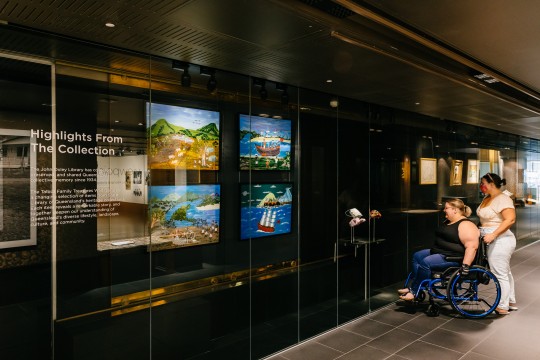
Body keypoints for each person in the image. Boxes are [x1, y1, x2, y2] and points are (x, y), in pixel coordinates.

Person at [399, 198, 479, 301]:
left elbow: (472, 247)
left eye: (446, 208)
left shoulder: (466, 225)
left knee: (426, 262)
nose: (444, 210)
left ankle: (414, 291)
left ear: (455, 210)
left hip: (453, 258)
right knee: (417, 256)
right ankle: (415, 286)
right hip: (440, 252)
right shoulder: (449, 221)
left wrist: (465, 266)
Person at [477, 172, 517, 315]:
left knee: (499, 272)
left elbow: (510, 220)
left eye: (483, 183)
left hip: (501, 239)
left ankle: (502, 306)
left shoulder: (503, 199)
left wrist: (493, 234)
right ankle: (510, 301)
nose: (481, 186)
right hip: (490, 238)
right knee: (504, 271)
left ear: (492, 184)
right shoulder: (488, 198)